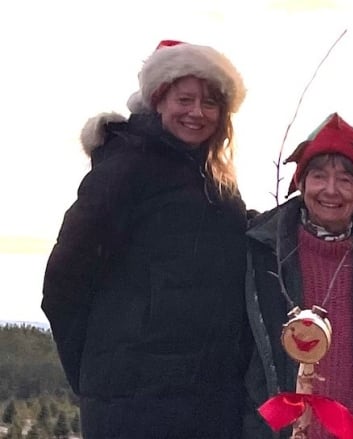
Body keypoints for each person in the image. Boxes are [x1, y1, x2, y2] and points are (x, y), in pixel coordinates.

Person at [42, 40, 251, 438]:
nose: (197, 113)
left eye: (210, 103)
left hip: (210, 400)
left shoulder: (217, 184)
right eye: (184, 99)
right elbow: (63, 283)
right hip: (133, 407)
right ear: (158, 101)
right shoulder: (123, 170)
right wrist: (97, 377)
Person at [242, 113, 353, 439]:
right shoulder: (261, 250)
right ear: (300, 183)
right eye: (318, 176)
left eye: (345, 179)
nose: (331, 190)